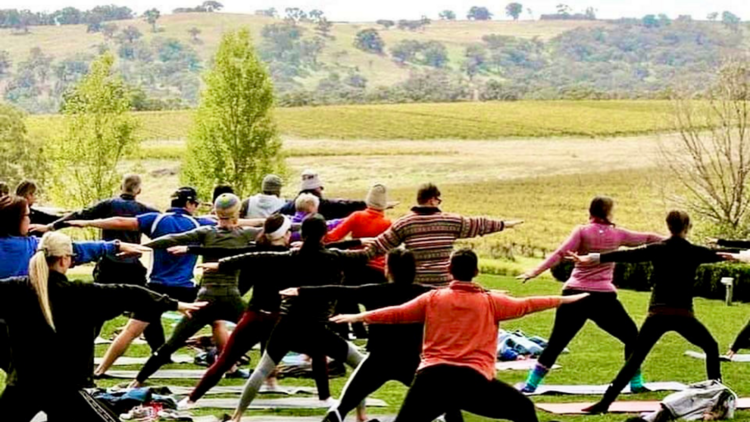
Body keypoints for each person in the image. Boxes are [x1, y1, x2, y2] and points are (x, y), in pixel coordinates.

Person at [331, 249, 585, 422]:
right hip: (471, 381)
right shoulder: (491, 302)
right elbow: (529, 303)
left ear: (449, 269)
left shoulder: (433, 298)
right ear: (476, 271)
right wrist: (566, 298)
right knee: (524, 409)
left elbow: (396, 313)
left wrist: (357, 318)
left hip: (431, 378)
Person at [0, 232, 204, 422]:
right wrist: (175, 304)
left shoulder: (13, 290)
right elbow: (133, 293)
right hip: (67, 389)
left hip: (22, 386)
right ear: (64, 259)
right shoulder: (83, 294)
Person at [176, 215, 362, 410]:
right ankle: (324, 398)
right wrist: (357, 242)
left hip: (257, 315)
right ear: (287, 234)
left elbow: (237, 253)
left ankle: (191, 400)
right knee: (317, 352)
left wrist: (218, 262)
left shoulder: (270, 252)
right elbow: (327, 252)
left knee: (226, 360)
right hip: (280, 320)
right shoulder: (293, 256)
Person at [568, 210, 733, 414]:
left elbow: (626, 255)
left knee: (635, 358)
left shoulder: (658, 248)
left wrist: (591, 258)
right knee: (711, 346)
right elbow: (724, 254)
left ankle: (605, 403)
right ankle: (717, 396)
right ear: (688, 227)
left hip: (658, 314)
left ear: (668, 226)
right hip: (683, 315)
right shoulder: (695, 251)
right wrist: (737, 253)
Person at [280, 249, 461, 422]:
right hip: (412, 360)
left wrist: (301, 291)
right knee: (448, 404)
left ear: (387, 269)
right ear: (413, 269)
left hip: (378, 360)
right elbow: (459, 300)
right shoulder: (427, 294)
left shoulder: (375, 291)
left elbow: (337, 290)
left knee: (341, 408)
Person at [65, 187, 223, 374]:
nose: (195, 207)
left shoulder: (156, 220)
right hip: (185, 289)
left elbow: (119, 221)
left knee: (131, 331)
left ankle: (100, 370)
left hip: (156, 287)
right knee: (218, 322)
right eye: (195, 204)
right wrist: (263, 222)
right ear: (189, 204)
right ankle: (231, 367)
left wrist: (88, 223)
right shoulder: (199, 223)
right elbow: (233, 222)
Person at [516, 196, 664, 393]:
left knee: (557, 342)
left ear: (591, 211)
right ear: (607, 212)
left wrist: (535, 271)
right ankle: (635, 383)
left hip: (574, 294)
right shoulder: (617, 234)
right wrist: (677, 241)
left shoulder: (582, 231)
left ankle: (530, 385)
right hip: (603, 298)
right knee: (632, 338)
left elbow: (560, 253)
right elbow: (647, 238)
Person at [0, 195, 147, 375]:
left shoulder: (30, 246)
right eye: (27, 215)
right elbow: (76, 249)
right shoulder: (33, 247)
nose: (30, 219)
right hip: (26, 329)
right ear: (16, 219)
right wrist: (115, 246)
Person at [129, 193, 262, 387]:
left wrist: (138, 247)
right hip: (231, 298)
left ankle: (136, 382)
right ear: (237, 213)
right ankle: (270, 379)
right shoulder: (245, 234)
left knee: (171, 344)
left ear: (216, 213)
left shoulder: (206, 232)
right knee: (270, 333)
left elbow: (172, 239)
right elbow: (282, 230)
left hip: (205, 298)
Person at [367, 183, 523, 285]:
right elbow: (479, 224)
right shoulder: (450, 221)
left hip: (416, 283)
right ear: (433, 200)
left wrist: (352, 255)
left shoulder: (405, 223)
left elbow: (380, 245)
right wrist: (504, 224)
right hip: (444, 283)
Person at [37, 174, 159, 289]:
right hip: (131, 265)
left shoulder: (108, 205)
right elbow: (165, 222)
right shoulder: (145, 210)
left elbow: (80, 215)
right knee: (141, 300)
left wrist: (52, 227)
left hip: (108, 263)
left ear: (121, 187)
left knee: (100, 301)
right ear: (138, 191)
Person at [326, 184, 393, 339]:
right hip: (378, 270)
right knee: (375, 304)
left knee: (345, 299)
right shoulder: (387, 223)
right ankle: (374, 333)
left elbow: (333, 236)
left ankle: (351, 332)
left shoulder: (357, 216)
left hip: (354, 266)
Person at [278, 170, 369, 220]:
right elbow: (346, 206)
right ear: (318, 188)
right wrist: (368, 204)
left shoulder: (286, 208)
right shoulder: (327, 206)